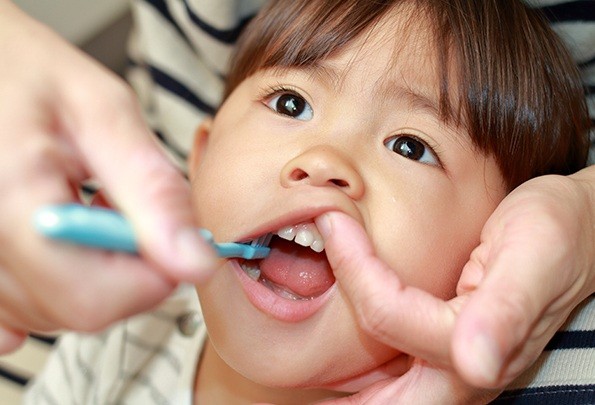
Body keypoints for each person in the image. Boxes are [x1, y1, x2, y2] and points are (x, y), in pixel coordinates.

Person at [23, 0, 592, 403]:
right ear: (197, 161)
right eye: (292, 104)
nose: (326, 160)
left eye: (412, 146)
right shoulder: (125, 332)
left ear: (485, 259)